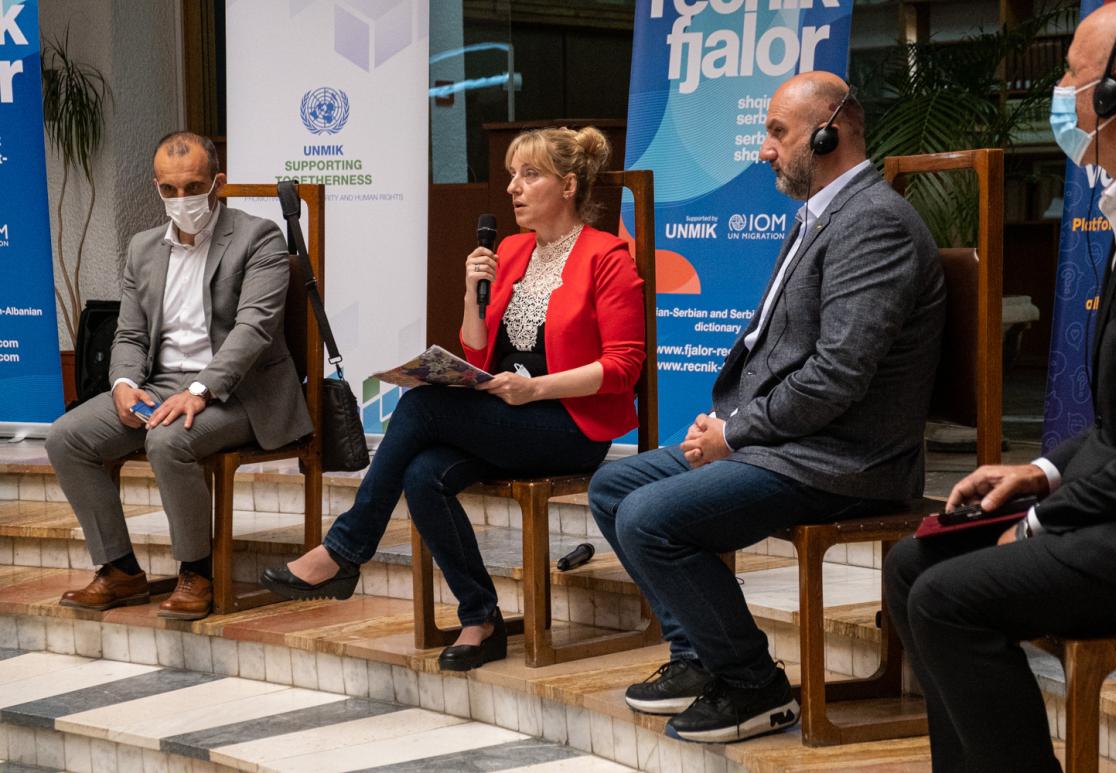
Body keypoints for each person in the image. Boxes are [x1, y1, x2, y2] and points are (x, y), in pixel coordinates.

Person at [588, 71, 946, 744]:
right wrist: (729, 426)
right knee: (614, 487)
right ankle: (701, 657)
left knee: (648, 517)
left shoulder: (873, 223)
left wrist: (735, 433)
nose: (764, 149)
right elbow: (784, 354)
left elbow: (836, 376)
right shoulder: (823, 214)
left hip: (846, 460)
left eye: (778, 132)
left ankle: (754, 684)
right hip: (789, 443)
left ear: (829, 133)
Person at [884, 2, 1116, 770]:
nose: (1060, 91)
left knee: (949, 599)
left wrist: (1043, 521)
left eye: (1071, 73)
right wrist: (1039, 473)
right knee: (913, 565)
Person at [262, 126, 645, 672]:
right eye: (511, 175)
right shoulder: (510, 250)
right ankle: (481, 618)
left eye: (529, 175)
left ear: (568, 186)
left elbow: (623, 368)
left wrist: (536, 388)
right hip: (507, 417)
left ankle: (345, 549)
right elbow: (476, 349)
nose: (513, 188)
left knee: (422, 406)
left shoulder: (607, 257)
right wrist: (471, 292)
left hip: (569, 426)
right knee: (423, 474)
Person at [47, 132, 312, 621]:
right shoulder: (143, 248)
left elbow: (254, 330)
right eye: (169, 189)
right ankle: (119, 569)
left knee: (169, 439)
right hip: (160, 384)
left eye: (192, 187)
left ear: (218, 183)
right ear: (157, 187)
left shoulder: (259, 237)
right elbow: (129, 334)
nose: (181, 199)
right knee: (67, 437)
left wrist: (199, 390)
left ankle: (196, 572)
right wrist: (124, 384)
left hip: (241, 392)